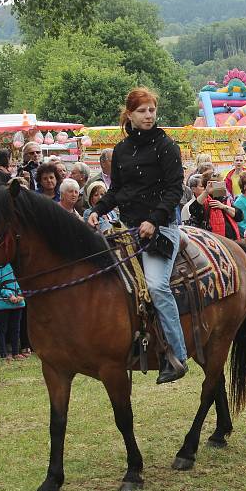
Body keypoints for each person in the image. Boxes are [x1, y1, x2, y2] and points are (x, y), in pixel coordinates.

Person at [88, 86, 188, 385]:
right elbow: (118, 191)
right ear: (129, 114)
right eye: (142, 111)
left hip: (161, 229)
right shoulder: (120, 150)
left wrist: (154, 220)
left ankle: (178, 356)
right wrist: (98, 209)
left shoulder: (167, 146)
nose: (148, 115)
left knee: (157, 287)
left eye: (152, 110)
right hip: (127, 228)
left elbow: (174, 190)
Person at [0, 263, 27, 362]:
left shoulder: (14, 265)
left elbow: (20, 281)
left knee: (16, 329)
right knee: (2, 329)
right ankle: (3, 353)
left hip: (18, 303)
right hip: (4, 304)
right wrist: (9, 295)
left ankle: (15, 353)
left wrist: (21, 294)